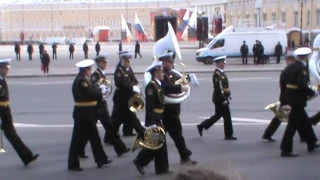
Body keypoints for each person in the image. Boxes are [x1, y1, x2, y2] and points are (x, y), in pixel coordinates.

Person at [78, 54, 131, 158]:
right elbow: (93, 90)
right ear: (98, 63)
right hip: (97, 107)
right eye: (103, 62)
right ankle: (80, 150)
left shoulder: (101, 74)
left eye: (106, 62)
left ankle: (120, 148)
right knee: (89, 131)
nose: (105, 64)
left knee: (109, 127)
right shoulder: (95, 75)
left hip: (100, 105)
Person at [262, 53, 318, 142]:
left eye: (289, 60)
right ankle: (269, 134)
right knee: (286, 117)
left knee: (297, 117)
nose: (288, 62)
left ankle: (306, 137)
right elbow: (284, 85)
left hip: (288, 96)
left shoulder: (289, 69)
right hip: (289, 97)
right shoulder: (289, 69)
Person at [68, 59, 112, 171]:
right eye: (89, 69)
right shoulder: (81, 81)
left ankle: (98, 160)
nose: (90, 71)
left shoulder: (84, 79)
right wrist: (100, 91)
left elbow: (92, 91)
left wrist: (98, 90)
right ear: (86, 70)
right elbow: (90, 94)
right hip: (84, 114)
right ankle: (100, 160)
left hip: (85, 113)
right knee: (91, 138)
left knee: (83, 139)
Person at [280, 47, 320, 157]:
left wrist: (283, 98)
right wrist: (312, 93)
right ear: (306, 57)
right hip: (297, 99)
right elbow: (301, 85)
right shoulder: (302, 68)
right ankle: (286, 149)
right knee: (292, 125)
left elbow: (282, 83)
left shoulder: (289, 67)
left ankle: (312, 142)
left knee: (305, 121)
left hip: (289, 97)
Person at [159, 52, 197, 165]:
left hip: (172, 110)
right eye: (169, 62)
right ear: (164, 62)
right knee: (177, 135)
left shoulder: (169, 73)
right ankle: (185, 156)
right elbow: (167, 87)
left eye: (172, 61)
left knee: (160, 136)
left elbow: (176, 82)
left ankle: (143, 157)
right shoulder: (160, 74)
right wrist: (181, 87)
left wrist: (189, 77)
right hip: (168, 111)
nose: (172, 64)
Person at [0, 58, 39, 166]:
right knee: (11, 134)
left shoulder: (2, 78)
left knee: (11, 134)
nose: (8, 70)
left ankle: (26, 156)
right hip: (2, 111)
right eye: (6, 68)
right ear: (1, 68)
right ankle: (26, 156)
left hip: (4, 110)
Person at [133, 61, 170, 175]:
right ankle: (141, 161)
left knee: (159, 143)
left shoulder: (158, 84)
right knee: (156, 143)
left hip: (159, 117)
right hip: (155, 118)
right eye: (160, 72)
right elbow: (150, 106)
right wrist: (151, 122)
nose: (162, 73)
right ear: (155, 73)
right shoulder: (151, 86)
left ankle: (161, 168)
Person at [197, 55, 237, 140]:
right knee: (227, 117)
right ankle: (228, 134)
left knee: (217, 115)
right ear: (218, 63)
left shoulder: (221, 73)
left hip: (220, 98)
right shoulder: (217, 74)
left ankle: (202, 126)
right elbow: (218, 88)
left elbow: (225, 86)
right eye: (223, 62)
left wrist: (228, 94)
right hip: (220, 99)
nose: (224, 64)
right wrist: (223, 99)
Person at [110, 51, 145, 137]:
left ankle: (127, 131)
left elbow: (133, 78)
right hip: (121, 97)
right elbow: (120, 84)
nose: (128, 62)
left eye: (129, 60)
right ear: (121, 60)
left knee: (124, 117)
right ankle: (143, 133)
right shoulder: (119, 70)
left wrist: (137, 84)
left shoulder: (128, 69)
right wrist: (132, 88)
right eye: (126, 60)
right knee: (122, 118)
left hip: (128, 96)